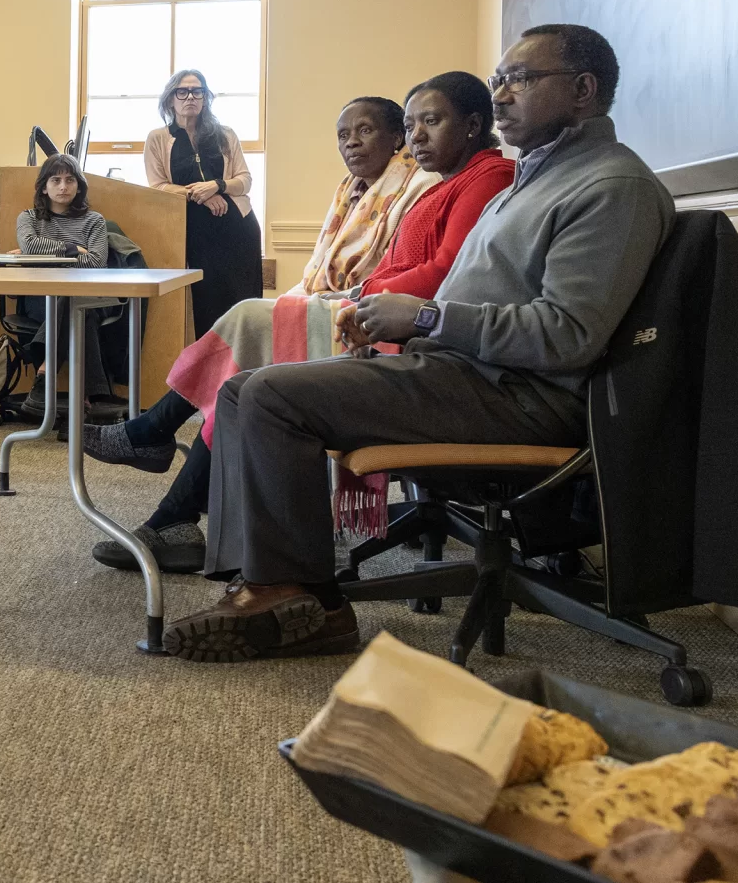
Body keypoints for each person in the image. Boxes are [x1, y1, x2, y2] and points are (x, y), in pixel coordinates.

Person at [157, 25, 672, 662]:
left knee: (268, 396)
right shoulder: (533, 182)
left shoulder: (607, 187)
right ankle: (277, 585)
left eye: (520, 79)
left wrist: (425, 320)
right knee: (240, 392)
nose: (502, 93)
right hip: (465, 372)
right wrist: (391, 324)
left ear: (583, 91)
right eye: (498, 80)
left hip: (520, 395)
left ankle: (297, 596)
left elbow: (567, 336)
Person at [86, 73, 514, 575]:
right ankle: (169, 504)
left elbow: (440, 275)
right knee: (240, 371)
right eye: (413, 122)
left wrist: (358, 293)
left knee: (247, 330)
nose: (417, 134)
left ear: (472, 125)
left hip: (405, 334)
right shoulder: (432, 183)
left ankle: (156, 450)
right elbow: (402, 269)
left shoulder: (475, 178)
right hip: (384, 317)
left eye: (429, 122)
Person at [144, 69, 263, 335]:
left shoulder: (225, 134)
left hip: (237, 230)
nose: (190, 97)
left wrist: (217, 185)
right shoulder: (157, 138)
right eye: (182, 91)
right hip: (195, 235)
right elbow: (158, 186)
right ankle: (208, 374)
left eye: (197, 91)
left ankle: (245, 369)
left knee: (242, 305)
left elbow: (245, 180)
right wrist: (200, 194)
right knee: (206, 307)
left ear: (205, 98)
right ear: (170, 99)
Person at [14, 153, 114, 408]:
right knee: (78, 310)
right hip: (40, 299)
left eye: (70, 180)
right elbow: (30, 245)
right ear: (44, 188)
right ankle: (87, 400)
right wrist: (73, 249)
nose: (63, 186)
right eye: (55, 180)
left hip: (90, 295)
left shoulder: (94, 220)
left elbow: (95, 262)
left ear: (79, 185)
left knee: (75, 301)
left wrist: (47, 255)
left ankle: (45, 372)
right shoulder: (29, 218)